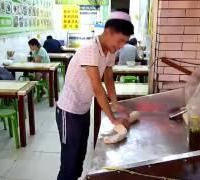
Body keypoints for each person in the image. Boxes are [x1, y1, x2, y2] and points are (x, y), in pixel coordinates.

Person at [56, 11, 134, 180]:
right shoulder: (90, 49)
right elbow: (98, 88)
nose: (121, 46)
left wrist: (115, 103)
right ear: (108, 32)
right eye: (120, 41)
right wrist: (113, 120)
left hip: (83, 110)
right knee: (69, 161)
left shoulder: (110, 52)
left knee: (79, 157)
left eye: (125, 42)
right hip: (68, 111)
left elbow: (109, 79)